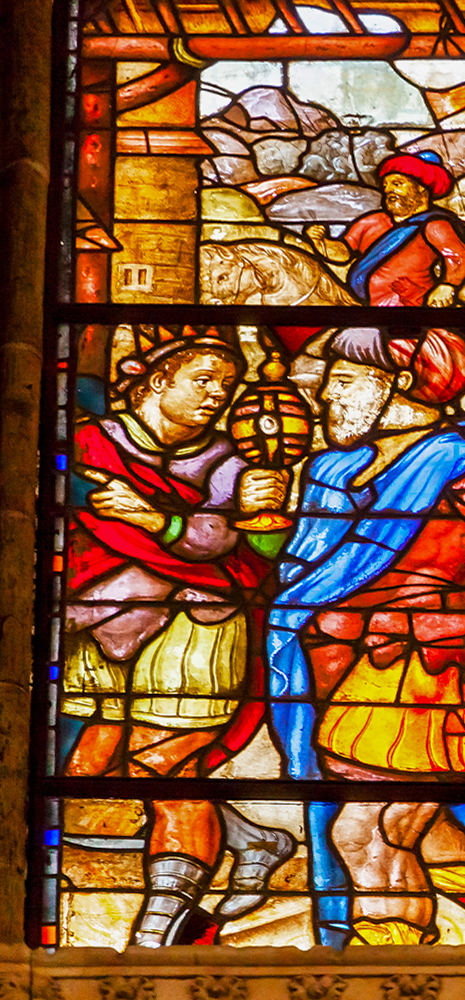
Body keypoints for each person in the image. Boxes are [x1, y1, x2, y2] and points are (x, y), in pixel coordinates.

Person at [61, 325, 296, 947]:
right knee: (90, 766)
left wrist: (149, 516)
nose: (216, 395)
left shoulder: (229, 462)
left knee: (163, 763)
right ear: (157, 379)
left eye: (225, 385)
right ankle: (254, 840)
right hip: (101, 612)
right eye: (203, 380)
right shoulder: (84, 441)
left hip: (201, 621)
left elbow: (217, 542)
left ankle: (156, 932)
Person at [267, 326, 465, 946]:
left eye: (344, 381)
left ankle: (394, 964)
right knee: (370, 829)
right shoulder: (332, 470)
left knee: (372, 830)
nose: (325, 397)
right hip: (346, 668)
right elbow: (298, 574)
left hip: (423, 672)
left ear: (397, 382)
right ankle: (391, 949)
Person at [307, 151, 465, 308]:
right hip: (363, 308)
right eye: (386, 185)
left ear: (421, 188)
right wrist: (321, 242)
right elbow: (344, 253)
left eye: (397, 184)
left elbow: (462, 256)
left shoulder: (433, 225)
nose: (389, 190)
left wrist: (447, 286)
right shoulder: (372, 221)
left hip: (410, 306)